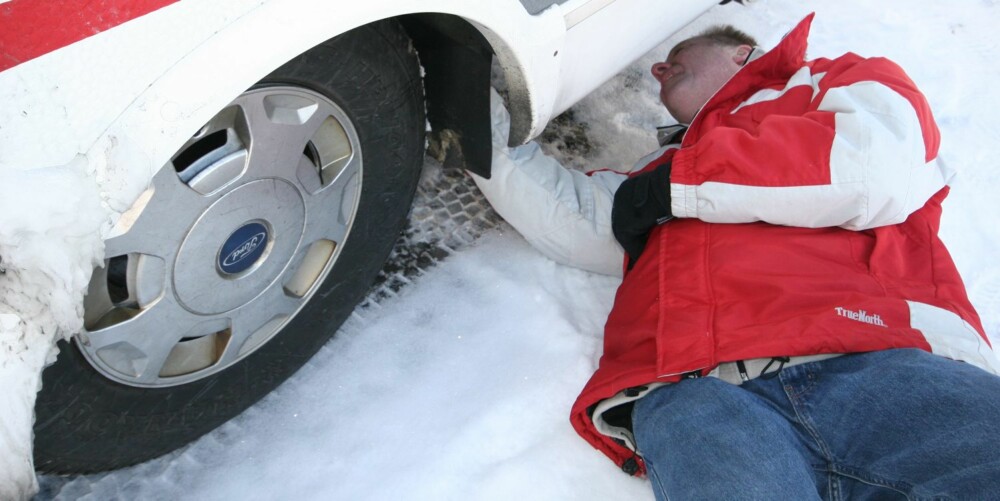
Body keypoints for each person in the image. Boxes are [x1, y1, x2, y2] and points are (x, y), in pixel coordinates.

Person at [472, 13, 1000, 500]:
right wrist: (471, 112)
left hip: (887, 365)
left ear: (741, 54)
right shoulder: (661, 173)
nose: (660, 69)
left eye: (680, 54)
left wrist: (677, 187)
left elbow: (874, 167)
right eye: (659, 69)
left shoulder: (835, 82)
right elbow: (577, 220)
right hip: (700, 395)